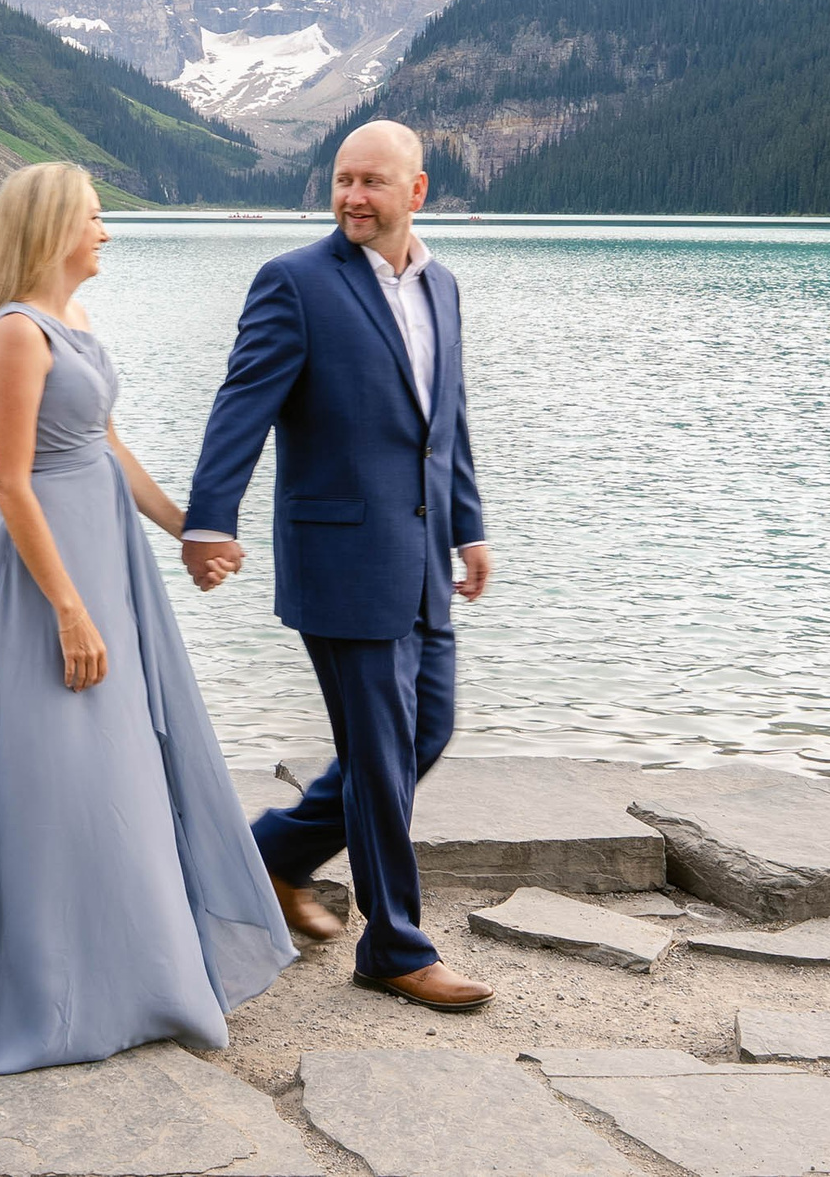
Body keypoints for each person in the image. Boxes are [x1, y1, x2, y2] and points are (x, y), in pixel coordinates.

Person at [0, 162, 296, 1095]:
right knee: (52, 773)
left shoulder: (72, 322)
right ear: (51, 230)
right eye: (93, 218)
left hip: (105, 561)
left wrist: (191, 533)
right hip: (44, 580)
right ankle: (42, 994)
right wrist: (69, 606)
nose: (106, 233)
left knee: (114, 768)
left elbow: (108, 450)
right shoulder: (11, 334)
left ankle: (134, 981)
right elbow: (10, 484)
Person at [180, 120, 496, 1012]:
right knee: (385, 751)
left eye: (373, 182)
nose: (354, 195)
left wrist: (469, 528)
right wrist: (210, 520)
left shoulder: (444, 286)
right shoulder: (295, 281)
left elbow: (448, 421)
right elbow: (242, 403)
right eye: (342, 179)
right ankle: (395, 945)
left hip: (425, 558)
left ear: (417, 191)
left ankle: (268, 855)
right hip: (342, 559)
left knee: (423, 730)